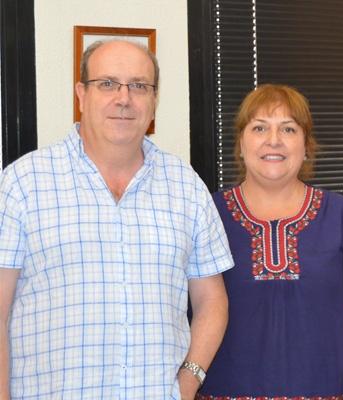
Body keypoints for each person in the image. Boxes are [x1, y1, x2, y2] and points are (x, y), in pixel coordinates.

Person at [0, 40, 233, 399]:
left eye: (139, 86)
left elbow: (211, 301)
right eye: (107, 83)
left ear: (154, 100)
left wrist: (187, 383)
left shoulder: (186, 185)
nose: (124, 98)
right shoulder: (23, 183)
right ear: (81, 95)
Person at [196, 84, 343, 400]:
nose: (274, 140)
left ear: (306, 145)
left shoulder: (342, 215)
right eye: (259, 128)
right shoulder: (206, 214)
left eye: (288, 128)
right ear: (241, 144)